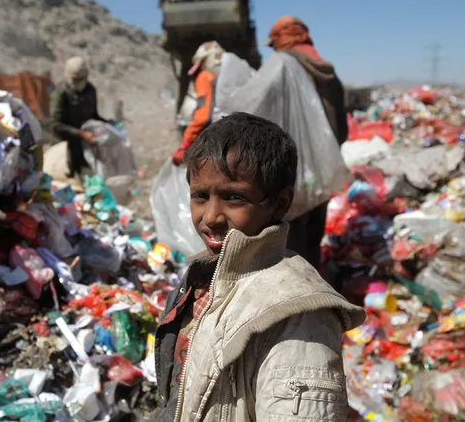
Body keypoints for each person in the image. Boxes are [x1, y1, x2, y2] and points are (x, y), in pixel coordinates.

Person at [152, 113, 365, 422]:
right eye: (201, 196)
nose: (211, 216)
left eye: (234, 198)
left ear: (279, 204)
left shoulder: (298, 315)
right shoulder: (203, 277)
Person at [266, 15, 349, 270]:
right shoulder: (326, 68)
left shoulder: (283, 65)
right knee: (313, 237)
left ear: (281, 39)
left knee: (290, 243)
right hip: (323, 170)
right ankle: (317, 295)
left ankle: (298, 301)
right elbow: (342, 128)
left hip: (291, 170)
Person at [50, 56, 110, 180]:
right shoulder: (61, 93)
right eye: (75, 79)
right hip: (70, 146)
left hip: (90, 146)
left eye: (81, 79)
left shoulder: (90, 91)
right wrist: (81, 134)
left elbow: (93, 116)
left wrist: (107, 125)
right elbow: (56, 125)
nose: (78, 83)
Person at [172, 41, 224, 166]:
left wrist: (184, 145)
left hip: (212, 146)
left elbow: (203, 116)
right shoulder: (226, 78)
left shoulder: (205, 76)